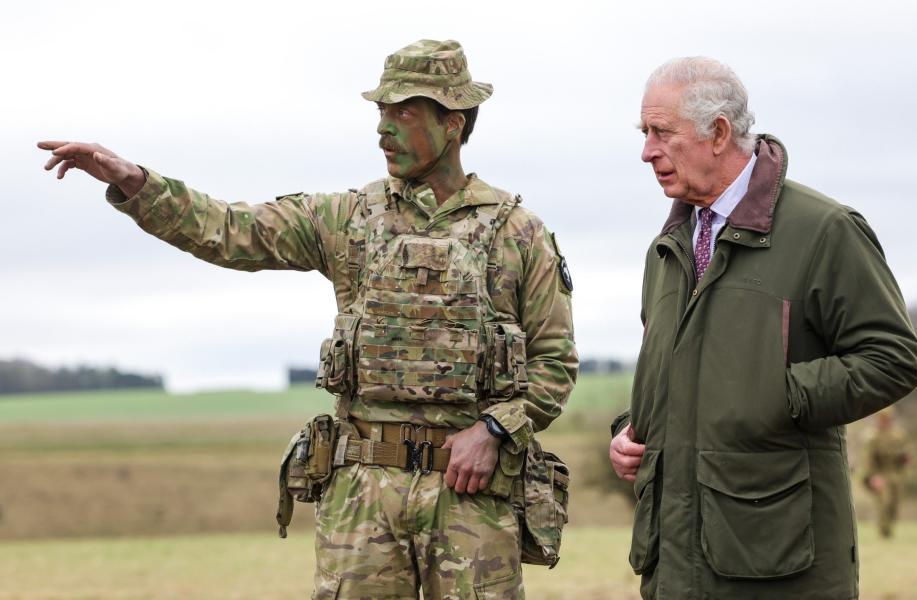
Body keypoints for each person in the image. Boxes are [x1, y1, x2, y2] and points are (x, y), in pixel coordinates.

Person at [38, 39, 577, 599]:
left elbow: (555, 364)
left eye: (404, 111)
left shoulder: (519, 234)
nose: (383, 129)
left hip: (472, 494)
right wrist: (136, 183)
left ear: (455, 124)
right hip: (361, 499)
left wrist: (494, 430)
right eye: (380, 112)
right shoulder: (347, 219)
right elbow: (231, 229)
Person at [607, 57, 917, 599]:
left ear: (718, 133)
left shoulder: (825, 230)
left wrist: (776, 396)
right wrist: (632, 430)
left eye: (661, 133)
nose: (647, 151)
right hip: (673, 563)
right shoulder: (667, 249)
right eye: (644, 133)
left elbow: (891, 358)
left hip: (778, 563)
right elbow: (674, 372)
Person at [861, 407, 909, 538]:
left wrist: (906, 460)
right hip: (881, 473)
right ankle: (884, 531)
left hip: (896, 473)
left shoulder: (899, 435)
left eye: (887, 419)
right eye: (882, 419)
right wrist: (873, 476)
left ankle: (890, 527)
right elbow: (869, 459)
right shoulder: (873, 436)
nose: (884, 422)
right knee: (884, 503)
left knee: (894, 504)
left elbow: (907, 454)